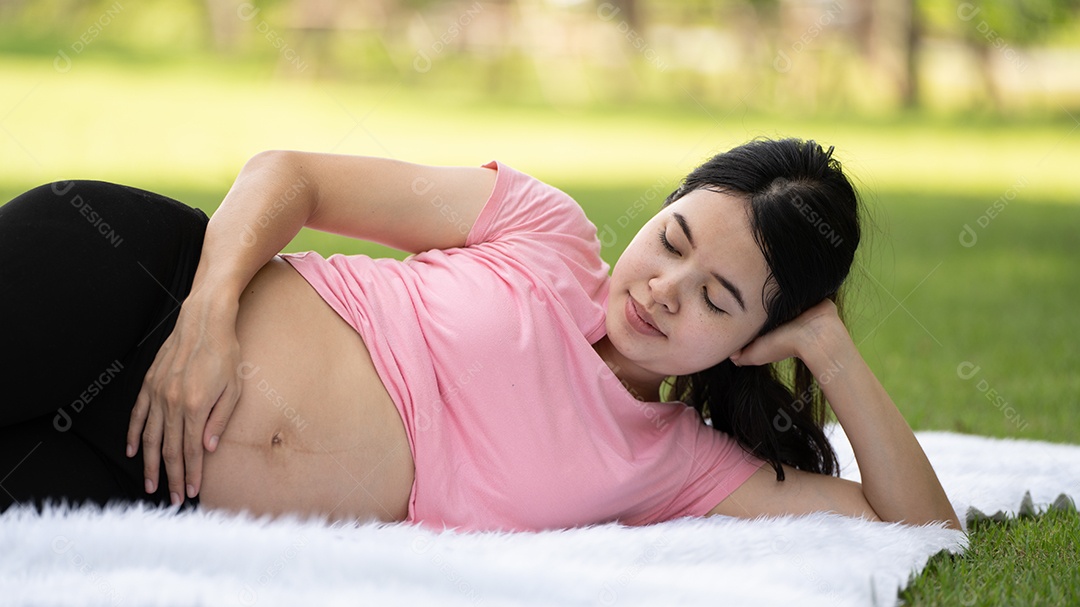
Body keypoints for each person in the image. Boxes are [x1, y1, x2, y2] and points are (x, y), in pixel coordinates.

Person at [0, 138, 961, 532]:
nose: (664, 291)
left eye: (718, 299)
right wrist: (208, 316)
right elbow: (291, 174)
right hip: (141, 293)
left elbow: (920, 526)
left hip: (142, 478)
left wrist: (831, 348)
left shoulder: (677, 464)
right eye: (672, 240)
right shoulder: (545, 230)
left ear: (761, 336)